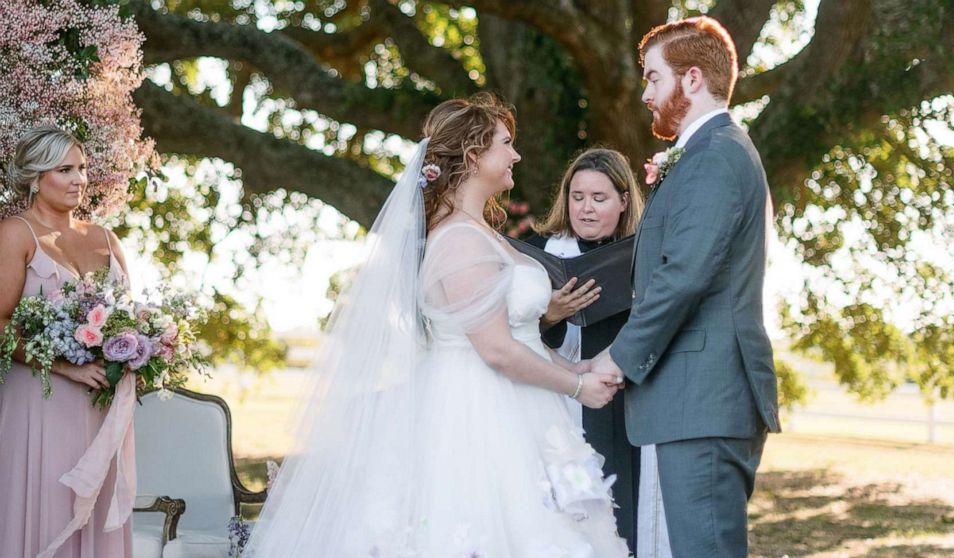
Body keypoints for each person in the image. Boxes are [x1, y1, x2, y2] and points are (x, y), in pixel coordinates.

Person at [245, 94, 631, 557]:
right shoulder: (459, 242)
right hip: (478, 414)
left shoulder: (482, 232)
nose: (516, 155)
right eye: (506, 144)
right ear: (474, 156)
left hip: (523, 408)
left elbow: (519, 334)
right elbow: (496, 349)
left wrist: (583, 365)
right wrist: (575, 387)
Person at [589, 16, 782, 557]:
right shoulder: (706, 154)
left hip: (706, 400)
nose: (646, 93)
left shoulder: (716, 155)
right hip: (695, 399)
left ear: (692, 79)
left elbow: (684, 275)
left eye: (653, 78)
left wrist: (617, 358)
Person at [0, 125, 133, 558]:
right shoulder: (16, 234)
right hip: (38, 404)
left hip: (101, 410)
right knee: (47, 512)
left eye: (83, 168)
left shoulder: (105, 238)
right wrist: (65, 366)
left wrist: (142, 351)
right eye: (65, 169)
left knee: (93, 512)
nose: (80, 179)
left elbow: (130, 320)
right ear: (37, 178)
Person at [526, 147, 646, 549]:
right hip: (557, 399)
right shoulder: (541, 249)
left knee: (618, 515)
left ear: (624, 200)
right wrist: (552, 313)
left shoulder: (641, 253)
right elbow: (516, 334)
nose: (586, 209)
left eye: (599, 198)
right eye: (577, 198)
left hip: (621, 403)